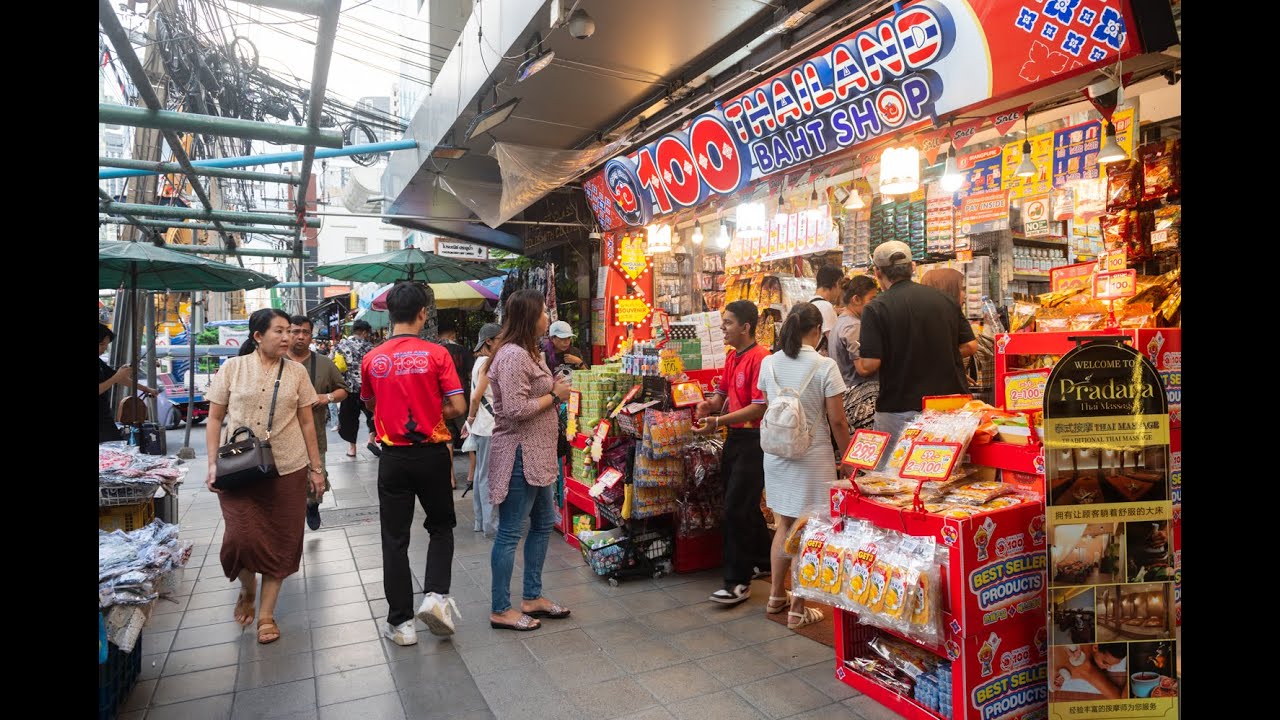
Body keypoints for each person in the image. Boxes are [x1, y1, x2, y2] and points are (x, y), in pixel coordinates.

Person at [204, 308, 325, 645]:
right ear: (257, 336)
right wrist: (212, 463)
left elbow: (305, 423)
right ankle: (247, 588)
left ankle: (267, 614)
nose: (288, 337)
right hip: (239, 468)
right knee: (239, 539)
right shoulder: (233, 368)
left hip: (288, 467)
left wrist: (317, 469)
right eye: (279, 331)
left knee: (283, 541)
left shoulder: (297, 373)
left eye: (290, 331)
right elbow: (214, 420)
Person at [360, 282, 467, 646]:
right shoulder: (437, 355)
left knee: (395, 540)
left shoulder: (372, 359)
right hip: (433, 454)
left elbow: (371, 405)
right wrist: (429, 412)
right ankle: (436, 597)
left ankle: (401, 625)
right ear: (424, 314)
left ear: (389, 315)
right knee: (440, 527)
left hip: (393, 458)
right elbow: (458, 407)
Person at [757, 302, 851, 629]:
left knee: (784, 524)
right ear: (816, 331)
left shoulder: (769, 363)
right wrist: (848, 460)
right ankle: (798, 608)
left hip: (777, 455)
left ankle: (775, 596)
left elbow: (773, 408)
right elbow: (837, 421)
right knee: (810, 531)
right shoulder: (825, 366)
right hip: (813, 457)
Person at [487, 290, 574, 632]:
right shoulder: (511, 356)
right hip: (519, 455)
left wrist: (552, 386)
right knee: (510, 532)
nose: (548, 318)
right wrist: (555, 395)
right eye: (543, 312)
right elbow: (515, 409)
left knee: (541, 525)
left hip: (540, 454)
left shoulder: (531, 352)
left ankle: (532, 597)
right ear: (529, 316)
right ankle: (500, 608)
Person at [856, 241, 978, 458]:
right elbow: (970, 345)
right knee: (943, 476)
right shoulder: (945, 300)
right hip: (948, 408)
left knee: (895, 481)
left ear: (877, 272)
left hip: (899, 410)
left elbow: (870, 364)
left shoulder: (876, 308)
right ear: (912, 267)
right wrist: (938, 351)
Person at [693, 300, 772, 605]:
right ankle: (764, 560)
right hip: (735, 439)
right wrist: (708, 405)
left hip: (755, 440)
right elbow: (722, 394)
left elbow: (759, 406)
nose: (723, 328)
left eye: (728, 323)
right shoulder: (732, 357)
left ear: (746, 327)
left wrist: (718, 421)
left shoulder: (761, 358)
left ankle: (737, 581)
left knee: (736, 508)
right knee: (744, 505)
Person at [287, 315, 349, 531]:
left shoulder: (323, 363)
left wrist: (327, 398)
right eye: (296, 332)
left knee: (316, 482)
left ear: (311, 335)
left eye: (305, 332)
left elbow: (343, 390)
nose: (300, 336)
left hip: (314, 434)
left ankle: (313, 506)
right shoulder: (276, 362)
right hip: (282, 437)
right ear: (288, 333)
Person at [463, 322, 501, 538]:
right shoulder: (487, 362)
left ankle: (480, 520)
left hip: (482, 425)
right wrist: (469, 417)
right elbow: (477, 396)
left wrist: (471, 421)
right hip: (488, 426)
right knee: (487, 475)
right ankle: (491, 525)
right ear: (489, 341)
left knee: (480, 474)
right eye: (500, 339)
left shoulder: (479, 361)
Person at [831, 276, 881, 432]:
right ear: (856, 299)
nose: (875, 304)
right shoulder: (854, 326)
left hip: (847, 399)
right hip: (860, 402)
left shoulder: (841, 321)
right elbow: (863, 368)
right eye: (871, 299)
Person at [99, 323, 158, 444]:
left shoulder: (99, 362)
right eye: (101, 344)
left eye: (106, 345)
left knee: (114, 447)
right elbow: (115, 378)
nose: (104, 348)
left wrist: (146, 389)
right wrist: (116, 377)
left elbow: (119, 378)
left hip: (103, 416)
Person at [335, 320, 379, 458]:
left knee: (349, 418)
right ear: (365, 332)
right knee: (374, 414)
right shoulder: (369, 347)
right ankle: (371, 439)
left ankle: (352, 449)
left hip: (348, 388)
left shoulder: (341, 345)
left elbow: (334, 364)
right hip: (367, 389)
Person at [437, 319, 475, 458]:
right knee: (468, 434)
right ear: (453, 335)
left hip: (441, 399)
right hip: (462, 397)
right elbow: (472, 375)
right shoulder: (463, 350)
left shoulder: (436, 352)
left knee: (448, 438)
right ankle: (471, 475)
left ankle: (451, 478)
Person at [809, 264, 845, 356]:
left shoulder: (808, 302)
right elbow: (835, 344)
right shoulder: (826, 307)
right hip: (818, 364)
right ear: (837, 283)